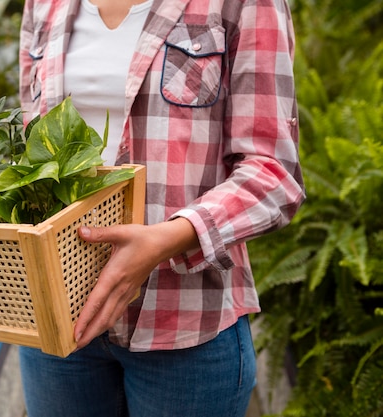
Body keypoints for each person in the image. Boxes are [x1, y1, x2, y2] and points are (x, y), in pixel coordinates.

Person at [18, 0, 305, 416]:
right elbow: (31, 153)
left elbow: (273, 171)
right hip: (58, 320)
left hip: (184, 324)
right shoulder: (43, 6)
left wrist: (166, 238)